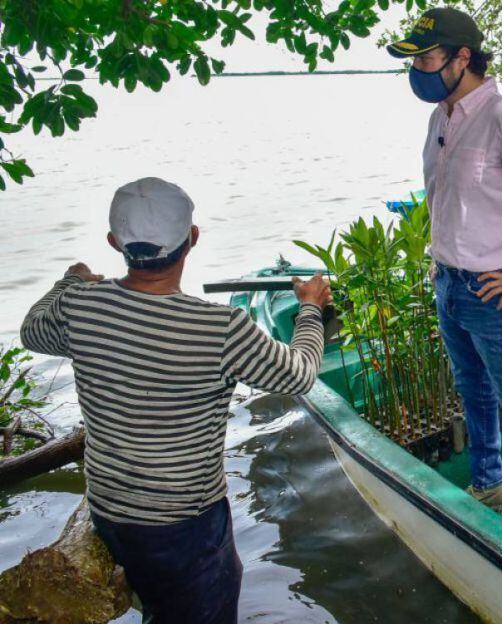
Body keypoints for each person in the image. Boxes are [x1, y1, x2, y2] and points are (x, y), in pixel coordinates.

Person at [20, 177, 331, 623]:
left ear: (114, 243)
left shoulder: (79, 307)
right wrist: (310, 307)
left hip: (109, 510)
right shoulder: (220, 327)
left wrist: (68, 281)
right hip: (184, 525)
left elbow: (32, 329)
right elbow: (298, 373)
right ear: (192, 238)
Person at [387, 7, 502, 532]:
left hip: (495, 288)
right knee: (472, 390)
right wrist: (441, 259)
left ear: (461, 57)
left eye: (425, 57)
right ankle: (488, 482)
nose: (417, 69)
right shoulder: (440, 117)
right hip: (449, 281)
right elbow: (443, 198)